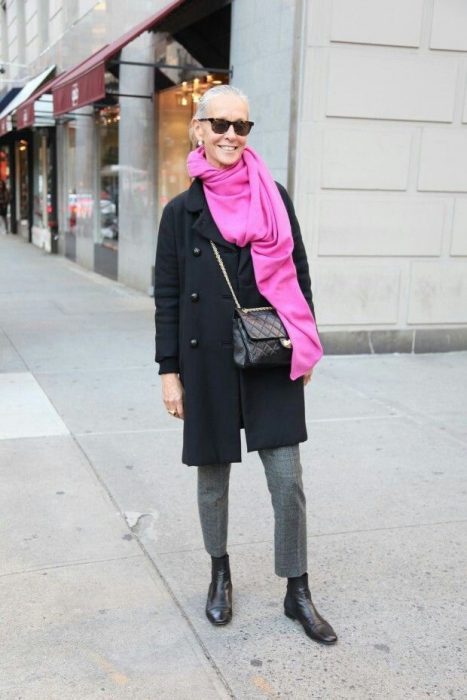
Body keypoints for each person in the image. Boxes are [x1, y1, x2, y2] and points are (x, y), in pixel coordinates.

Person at [154, 85, 337, 645]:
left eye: (242, 126)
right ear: (199, 130)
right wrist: (168, 371)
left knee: (287, 479)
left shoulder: (273, 196)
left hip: (270, 351)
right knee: (212, 478)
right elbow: (168, 296)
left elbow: (298, 273)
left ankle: (297, 589)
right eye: (221, 124)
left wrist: (305, 341)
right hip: (206, 358)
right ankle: (220, 574)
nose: (231, 135)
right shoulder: (180, 213)